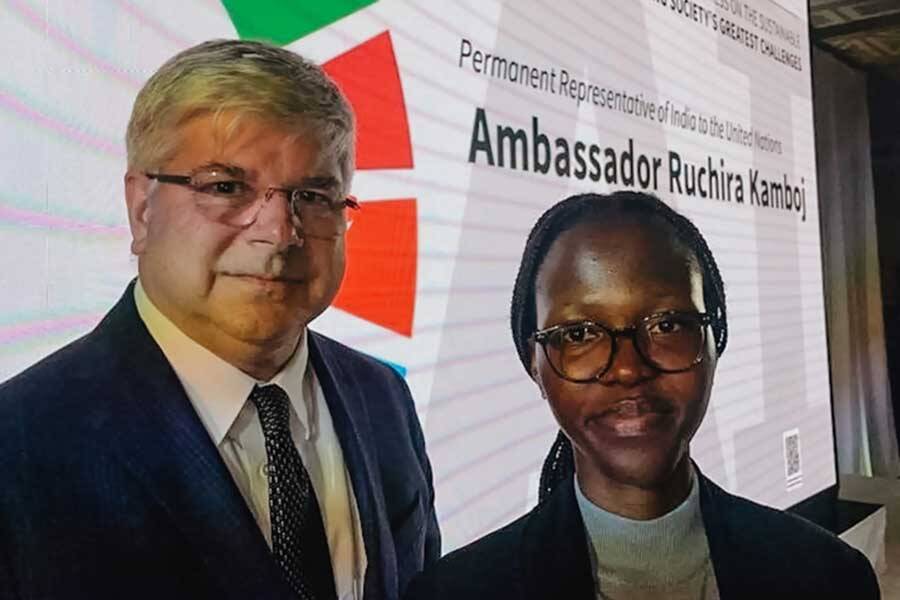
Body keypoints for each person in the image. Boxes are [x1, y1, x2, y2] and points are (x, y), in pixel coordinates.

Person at [0, 39, 439, 600]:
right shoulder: (21, 447)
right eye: (226, 188)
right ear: (141, 207)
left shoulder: (383, 399)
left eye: (313, 195)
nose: (279, 233)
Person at [405, 191, 879, 599]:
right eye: (578, 334)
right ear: (534, 361)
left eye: (667, 325)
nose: (629, 367)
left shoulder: (829, 577)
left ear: (716, 340)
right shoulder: (456, 592)